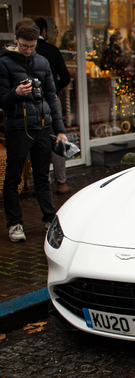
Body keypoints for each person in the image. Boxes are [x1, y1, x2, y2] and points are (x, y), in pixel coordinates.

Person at [0, 18, 67, 242]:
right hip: (18, 127)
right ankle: (15, 223)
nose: (28, 50)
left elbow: (51, 97)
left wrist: (59, 130)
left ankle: (49, 218)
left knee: (42, 176)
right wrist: (16, 93)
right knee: (13, 177)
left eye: (32, 46)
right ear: (16, 40)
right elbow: (2, 101)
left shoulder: (43, 62)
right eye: (24, 46)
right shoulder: (4, 63)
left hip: (42, 126)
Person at [35, 17, 72, 195]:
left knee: (36, 140)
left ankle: (38, 182)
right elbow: (65, 77)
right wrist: (55, 88)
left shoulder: (24, 53)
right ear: (43, 31)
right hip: (51, 100)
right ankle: (61, 182)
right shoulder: (52, 50)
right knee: (57, 137)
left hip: (30, 103)